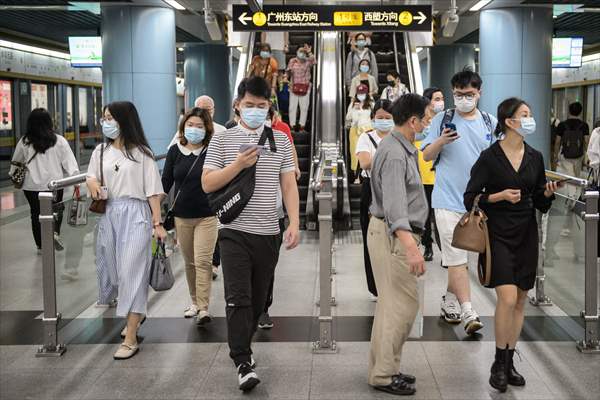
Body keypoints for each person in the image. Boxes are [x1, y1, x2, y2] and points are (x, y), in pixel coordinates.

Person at [201, 76, 300, 392]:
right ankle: (242, 360)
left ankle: (245, 341)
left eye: (261, 106)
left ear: (269, 107)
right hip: (233, 231)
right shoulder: (222, 140)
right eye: (249, 106)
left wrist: (295, 222)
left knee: (259, 300)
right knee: (238, 298)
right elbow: (208, 183)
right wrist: (238, 165)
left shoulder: (280, 140)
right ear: (237, 106)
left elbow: (288, 184)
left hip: (269, 231)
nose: (255, 111)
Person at [464, 97, 561, 393]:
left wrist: (548, 192)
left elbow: (541, 204)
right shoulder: (489, 157)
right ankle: (497, 361)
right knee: (506, 299)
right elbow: (470, 197)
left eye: (530, 114)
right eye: (525, 115)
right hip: (498, 234)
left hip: (526, 234)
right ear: (509, 121)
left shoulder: (535, 156)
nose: (530, 119)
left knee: (520, 301)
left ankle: (508, 362)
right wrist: (498, 197)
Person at [87, 101, 166, 360]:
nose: (106, 122)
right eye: (104, 118)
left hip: (136, 215)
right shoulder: (100, 151)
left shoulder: (142, 153)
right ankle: (136, 314)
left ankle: (130, 337)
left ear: (124, 121)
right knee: (116, 273)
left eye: (110, 118)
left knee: (132, 273)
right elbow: (90, 176)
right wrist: (93, 183)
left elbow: (153, 191)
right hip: (110, 214)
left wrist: (157, 223)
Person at [421, 68, 497, 335]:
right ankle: (468, 310)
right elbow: (427, 156)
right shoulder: (443, 118)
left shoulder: (490, 122)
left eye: (469, 94)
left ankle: (450, 300)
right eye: (459, 94)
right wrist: (441, 140)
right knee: (456, 259)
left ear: (479, 93)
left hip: (478, 203)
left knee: (462, 256)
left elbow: (499, 160)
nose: (464, 98)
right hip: (446, 199)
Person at [367, 93, 429, 396]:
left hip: (388, 235)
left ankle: (384, 370)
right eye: (426, 117)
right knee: (403, 306)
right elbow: (394, 208)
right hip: (394, 237)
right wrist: (411, 247)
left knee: (390, 306)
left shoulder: (401, 148)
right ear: (413, 120)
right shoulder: (394, 154)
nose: (429, 121)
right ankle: (384, 374)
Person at [161, 107, 217, 324]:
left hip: (207, 215)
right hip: (182, 216)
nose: (194, 129)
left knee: (203, 261)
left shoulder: (212, 150)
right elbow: (165, 183)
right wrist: (154, 209)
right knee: (189, 262)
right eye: (190, 125)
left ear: (207, 129)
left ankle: (203, 307)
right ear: (183, 127)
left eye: (200, 126)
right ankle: (194, 302)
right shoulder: (175, 151)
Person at [9, 108, 79, 254]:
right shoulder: (59, 141)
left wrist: (13, 175)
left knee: (36, 214)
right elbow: (70, 163)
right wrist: (76, 180)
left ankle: (41, 245)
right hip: (54, 185)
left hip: (31, 186)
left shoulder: (25, 141)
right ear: (49, 122)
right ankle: (54, 234)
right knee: (56, 211)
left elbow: (16, 162)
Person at [355, 99, 393, 302]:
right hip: (372, 190)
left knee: (395, 238)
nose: (384, 121)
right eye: (380, 118)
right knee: (373, 239)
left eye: (388, 118)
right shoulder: (365, 137)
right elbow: (365, 163)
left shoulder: (400, 137)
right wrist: (388, 155)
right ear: (373, 119)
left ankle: (392, 283)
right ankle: (376, 287)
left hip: (396, 189)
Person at [416, 87, 445, 262]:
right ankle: (427, 245)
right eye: (436, 98)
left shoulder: (446, 119)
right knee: (426, 214)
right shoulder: (420, 120)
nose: (440, 102)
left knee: (442, 215)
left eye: (441, 98)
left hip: (442, 174)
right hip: (424, 173)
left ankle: (446, 251)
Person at [554, 101, 590, 203]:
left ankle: (571, 196)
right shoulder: (584, 125)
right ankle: (575, 195)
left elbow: (557, 142)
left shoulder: (562, 125)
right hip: (579, 155)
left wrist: (555, 155)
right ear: (580, 112)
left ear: (569, 111)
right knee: (577, 175)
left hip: (566, 155)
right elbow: (586, 141)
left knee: (569, 175)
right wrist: (588, 155)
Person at [346, 84, 374, 182]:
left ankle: (368, 174)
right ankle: (357, 176)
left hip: (367, 129)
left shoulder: (370, 103)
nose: (360, 95)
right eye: (359, 93)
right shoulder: (353, 103)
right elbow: (348, 117)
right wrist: (355, 109)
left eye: (362, 93)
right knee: (355, 153)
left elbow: (373, 116)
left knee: (368, 151)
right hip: (355, 130)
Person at [286, 43, 316, 132]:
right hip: (293, 86)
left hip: (305, 87)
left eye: (303, 51)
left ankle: (302, 126)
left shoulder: (308, 61)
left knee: (304, 107)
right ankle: (292, 126)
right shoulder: (292, 61)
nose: (302, 53)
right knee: (292, 107)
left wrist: (309, 52)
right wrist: (285, 77)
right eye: (300, 51)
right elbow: (288, 71)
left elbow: (314, 61)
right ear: (296, 52)